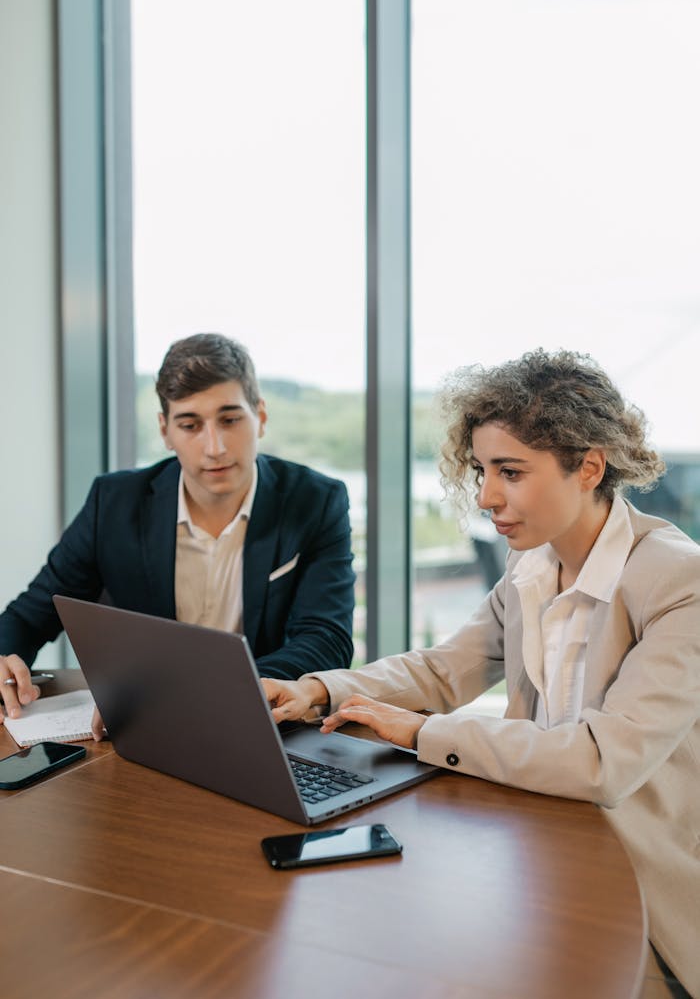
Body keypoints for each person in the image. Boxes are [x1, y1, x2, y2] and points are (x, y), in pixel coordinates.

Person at [262, 349, 700, 998]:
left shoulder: (677, 581)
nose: (487, 497)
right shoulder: (532, 568)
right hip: (538, 857)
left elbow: (602, 761)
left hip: (642, 906)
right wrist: (320, 689)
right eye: (482, 471)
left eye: (511, 472)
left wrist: (418, 733)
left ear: (589, 466)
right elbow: (444, 669)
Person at [0, 333, 355, 731]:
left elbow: (327, 640)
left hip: (260, 728)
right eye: (190, 425)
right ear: (165, 431)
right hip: (143, 735)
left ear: (262, 417)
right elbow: (31, 615)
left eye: (230, 419)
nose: (215, 446)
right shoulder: (114, 502)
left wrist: (198, 690)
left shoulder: (316, 500)